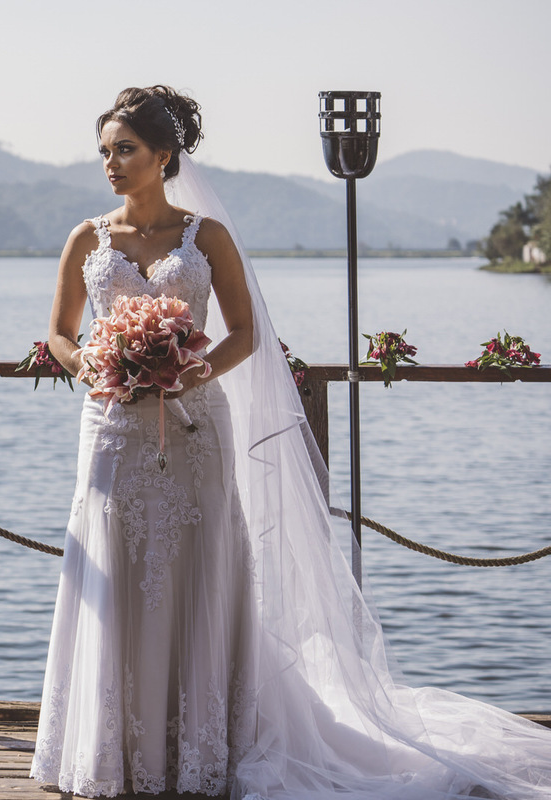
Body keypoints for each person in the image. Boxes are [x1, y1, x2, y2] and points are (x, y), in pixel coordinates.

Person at [30, 86, 551, 799]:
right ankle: (115, 746)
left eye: (125, 150)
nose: (111, 165)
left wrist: (193, 369)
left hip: (193, 425)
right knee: (116, 571)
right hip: (113, 428)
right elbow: (58, 333)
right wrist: (90, 360)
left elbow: (247, 333)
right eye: (104, 152)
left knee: (199, 567)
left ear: (163, 156)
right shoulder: (88, 240)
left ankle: (200, 744)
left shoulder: (204, 237)